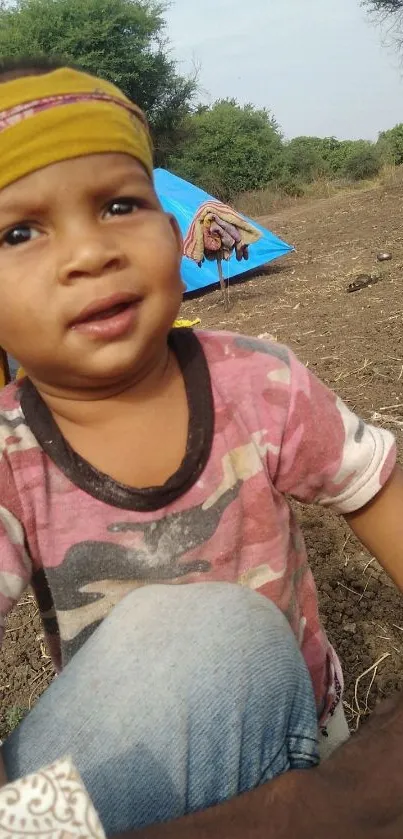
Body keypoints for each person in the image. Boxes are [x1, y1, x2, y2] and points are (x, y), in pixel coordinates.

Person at [0, 57, 401, 836]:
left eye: (119, 204)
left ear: (171, 222)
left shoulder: (260, 382)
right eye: (18, 231)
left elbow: (375, 485)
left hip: (289, 735)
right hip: (129, 770)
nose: (90, 252)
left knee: (220, 631)